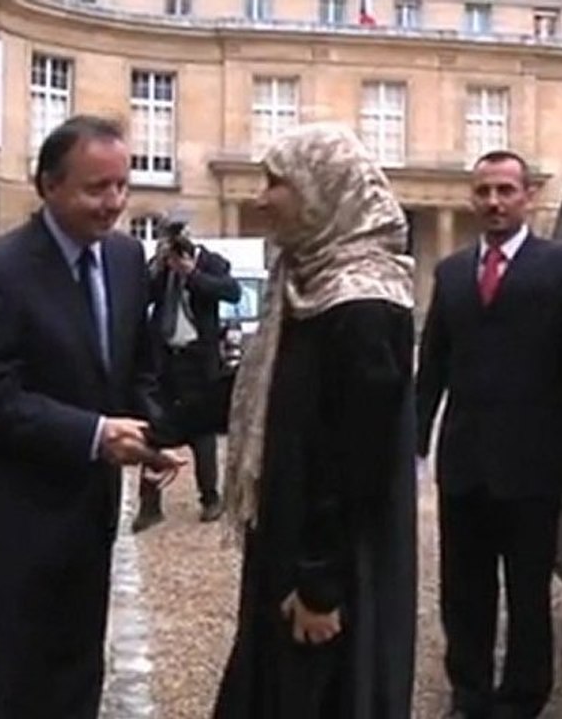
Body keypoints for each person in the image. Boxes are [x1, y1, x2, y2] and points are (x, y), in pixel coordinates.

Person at [0, 115, 183, 719]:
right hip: (20, 518)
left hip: (91, 512)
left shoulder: (124, 258)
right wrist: (94, 435)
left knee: (83, 669)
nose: (112, 203)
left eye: (121, 187)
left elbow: (134, 369)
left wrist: (153, 434)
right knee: (22, 684)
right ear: (47, 185)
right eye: (95, 188)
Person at [215, 122, 417, 719]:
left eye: (276, 182)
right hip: (292, 537)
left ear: (322, 189)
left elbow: (360, 461)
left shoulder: (361, 303)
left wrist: (320, 585)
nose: (261, 198)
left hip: (333, 559)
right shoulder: (305, 282)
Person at [416, 149, 562, 719]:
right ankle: (469, 695)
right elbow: (432, 368)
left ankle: (523, 699)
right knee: (464, 594)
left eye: (505, 190)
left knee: (528, 596)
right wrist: (413, 444)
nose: (494, 202)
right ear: (471, 198)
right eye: (484, 191)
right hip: (465, 466)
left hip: (533, 466)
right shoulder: (452, 273)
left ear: (528, 195)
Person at [131, 216, 241, 533]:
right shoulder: (161, 268)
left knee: (202, 429)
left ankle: (210, 498)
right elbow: (142, 299)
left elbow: (231, 292)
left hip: (198, 357)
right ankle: (149, 506)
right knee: (154, 427)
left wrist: (192, 273)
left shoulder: (212, 262)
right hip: (165, 357)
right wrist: (158, 267)